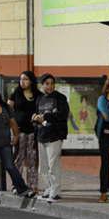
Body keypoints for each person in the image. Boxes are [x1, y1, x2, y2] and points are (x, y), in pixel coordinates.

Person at [33, 73, 69, 202]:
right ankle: (48, 188)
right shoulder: (39, 99)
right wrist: (35, 118)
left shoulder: (60, 98)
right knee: (42, 167)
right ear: (42, 85)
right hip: (41, 135)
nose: (50, 86)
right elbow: (37, 114)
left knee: (53, 165)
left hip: (55, 136)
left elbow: (63, 115)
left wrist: (47, 116)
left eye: (52, 83)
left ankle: (55, 191)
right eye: (47, 84)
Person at [8, 71, 41, 193]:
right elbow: (8, 110)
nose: (22, 82)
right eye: (21, 79)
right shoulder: (15, 94)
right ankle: (17, 184)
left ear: (31, 81)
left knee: (32, 158)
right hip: (19, 131)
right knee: (19, 158)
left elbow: (42, 111)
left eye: (26, 79)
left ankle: (32, 185)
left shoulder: (38, 95)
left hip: (33, 131)